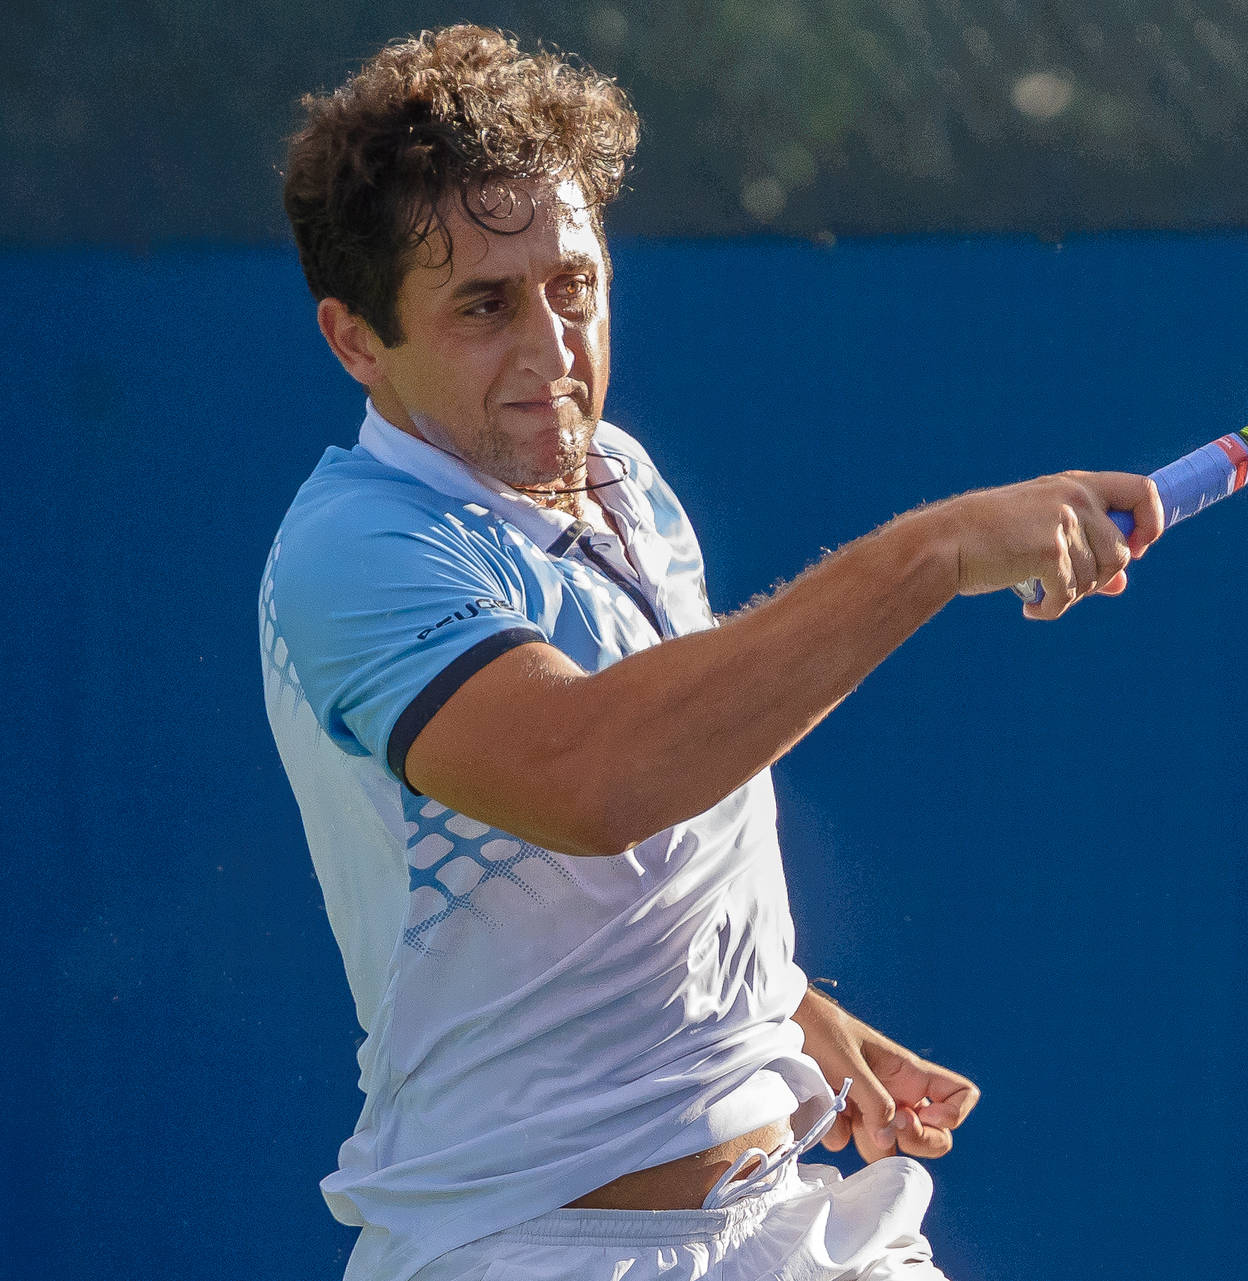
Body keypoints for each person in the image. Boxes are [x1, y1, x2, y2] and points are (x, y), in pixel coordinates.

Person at [262, 24, 1162, 1281]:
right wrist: (929, 556)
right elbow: (590, 780)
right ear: (357, 340)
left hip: (780, 1224)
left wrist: (787, 1009)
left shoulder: (621, 480)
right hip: (531, 1252)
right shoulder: (355, 549)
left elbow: (661, 815)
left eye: (571, 284)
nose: (551, 352)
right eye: (483, 306)